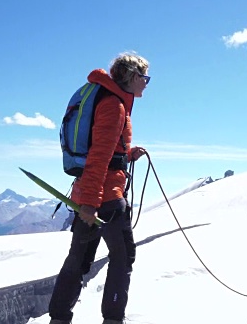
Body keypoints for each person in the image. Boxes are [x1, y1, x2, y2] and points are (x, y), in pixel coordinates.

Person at [49, 52, 151, 324]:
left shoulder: (107, 99)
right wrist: (91, 205)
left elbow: (104, 151)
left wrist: (127, 155)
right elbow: (99, 157)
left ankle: (58, 318)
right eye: (144, 77)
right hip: (105, 198)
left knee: (78, 260)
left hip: (88, 192)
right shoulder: (114, 106)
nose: (146, 83)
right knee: (123, 256)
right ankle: (113, 319)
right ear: (131, 76)